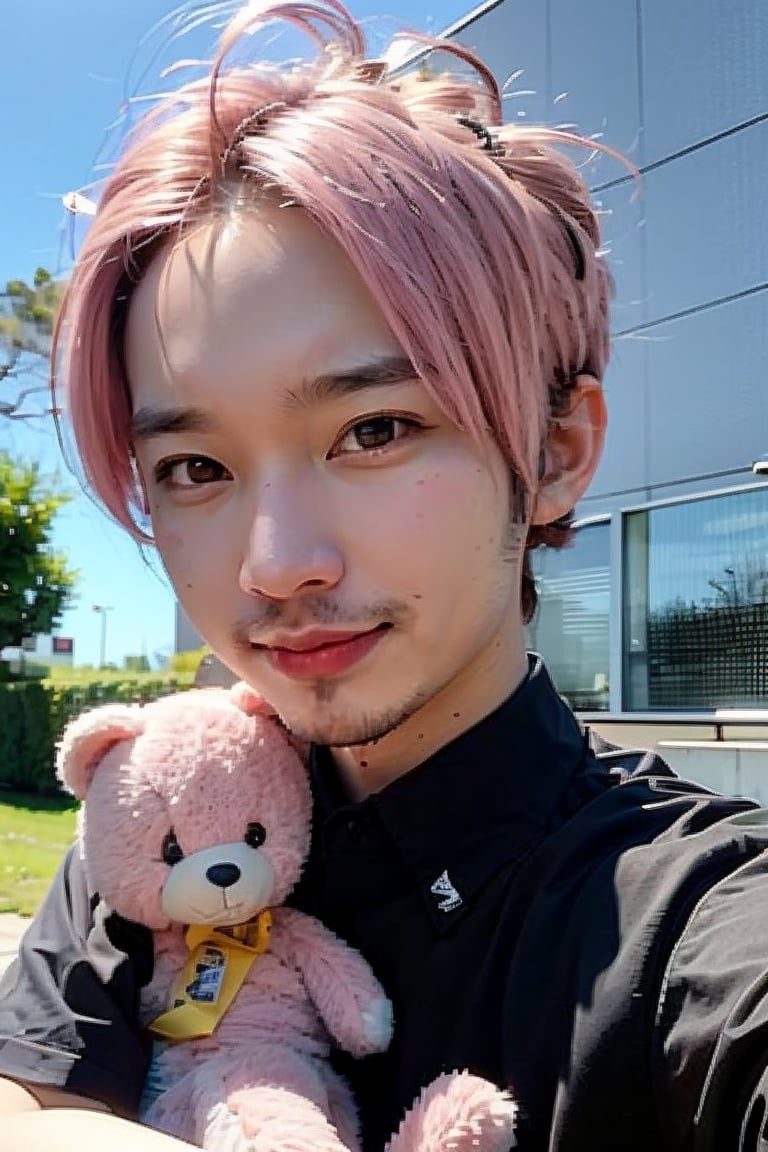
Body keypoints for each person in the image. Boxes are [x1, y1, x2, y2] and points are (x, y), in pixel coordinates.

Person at [2, 1, 768, 1149]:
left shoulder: (691, 921)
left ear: (556, 451)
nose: (277, 564)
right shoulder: (171, 809)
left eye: (376, 430)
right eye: (197, 465)